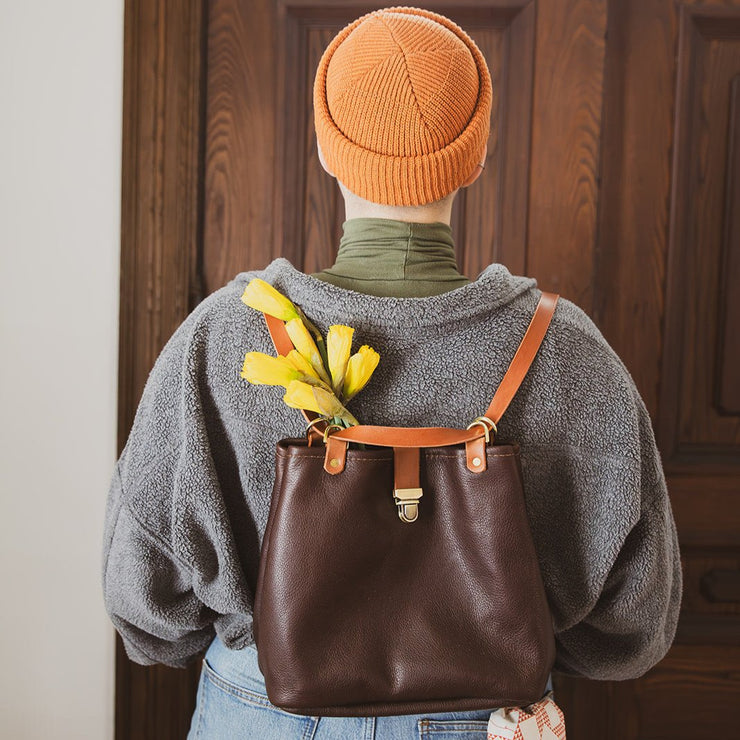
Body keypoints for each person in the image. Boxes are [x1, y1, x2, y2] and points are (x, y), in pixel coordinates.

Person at [102, 6, 683, 739]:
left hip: (264, 711)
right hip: (488, 718)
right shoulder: (572, 351)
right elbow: (632, 626)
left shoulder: (221, 338)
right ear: (476, 152)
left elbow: (144, 604)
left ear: (324, 146)